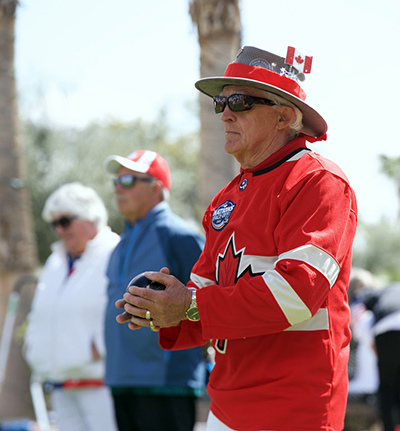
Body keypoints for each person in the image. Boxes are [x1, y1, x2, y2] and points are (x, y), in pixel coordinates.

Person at [116, 45, 358, 431]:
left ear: (284, 116)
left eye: (240, 102)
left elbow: (296, 293)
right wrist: (161, 309)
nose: (225, 113)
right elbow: (202, 294)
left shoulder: (319, 181)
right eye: (220, 102)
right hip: (225, 404)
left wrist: (189, 305)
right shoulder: (226, 198)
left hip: (293, 407)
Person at [103, 149, 206, 431]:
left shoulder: (180, 236)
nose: (118, 188)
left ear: (155, 188)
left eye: (128, 181)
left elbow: (208, 298)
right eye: (116, 181)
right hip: (122, 380)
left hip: (167, 383)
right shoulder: (119, 244)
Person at [23, 182, 119, 431]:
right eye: (54, 223)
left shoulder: (115, 253)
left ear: (90, 217)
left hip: (101, 384)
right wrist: (33, 347)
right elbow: (40, 311)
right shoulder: (55, 261)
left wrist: (98, 348)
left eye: (65, 221)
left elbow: (122, 309)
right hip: (60, 382)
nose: (59, 230)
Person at [362, 282, 400, 431]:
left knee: (386, 388)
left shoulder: (375, 293)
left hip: (386, 328)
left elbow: (363, 320)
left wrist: (377, 349)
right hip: (388, 325)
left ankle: (389, 427)